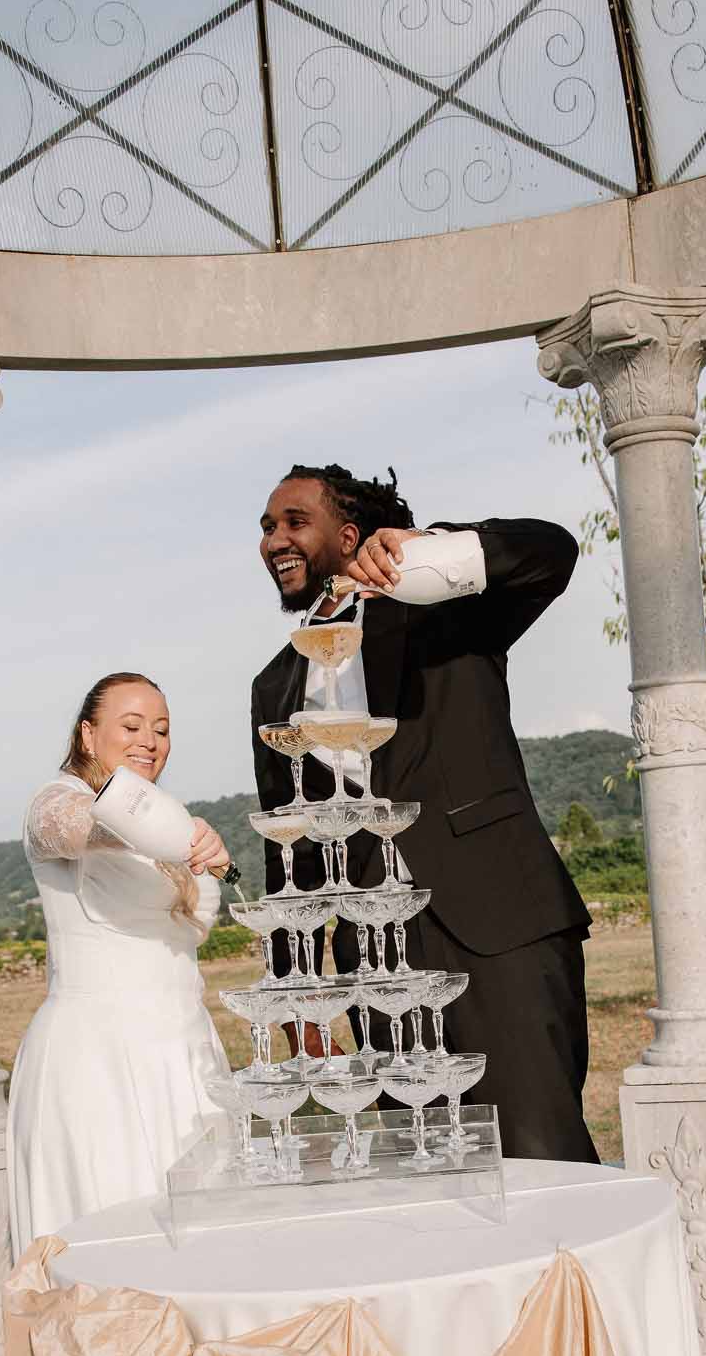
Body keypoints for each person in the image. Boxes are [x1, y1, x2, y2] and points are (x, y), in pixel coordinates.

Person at [251, 464, 598, 1163]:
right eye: (266, 527)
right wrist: (296, 998)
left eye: (293, 522)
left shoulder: (442, 611)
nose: (273, 540)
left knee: (540, 1150)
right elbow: (289, 843)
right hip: (372, 961)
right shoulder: (274, 683)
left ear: (349, 534)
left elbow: (550, 553)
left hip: (494, 927)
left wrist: (434, 547)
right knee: (426, 1164)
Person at [6, 671, 233, 1252]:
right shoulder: (54, 803)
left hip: (186, 1047)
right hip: (101, 1055)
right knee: (120, 1237)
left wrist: (197, 846)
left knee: (209, 1236)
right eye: (131, 726)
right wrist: (165, 833)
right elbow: (85, 827)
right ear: (88, 735)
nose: (150, 741)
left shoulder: (171, 813)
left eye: (161, 730)